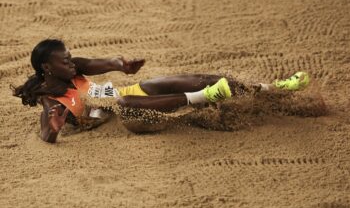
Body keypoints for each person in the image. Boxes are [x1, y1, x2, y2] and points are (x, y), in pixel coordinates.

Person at [12, 39, 310, 143]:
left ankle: (269, 88)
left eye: (69, 55)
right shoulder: (51, 100)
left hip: (124, 94)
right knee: (125, 102)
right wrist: (53, 128)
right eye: (63, 59)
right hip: (120, 120)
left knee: (182, 78)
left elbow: (100, 63)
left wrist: (122, 64)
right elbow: (46, 135)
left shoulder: (74, 67)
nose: (70, 60)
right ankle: (206, 97)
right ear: (47, 68)